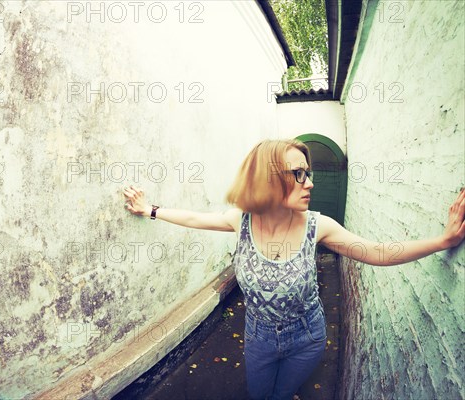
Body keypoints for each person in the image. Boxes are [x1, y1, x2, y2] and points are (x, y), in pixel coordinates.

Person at [122, 139, 465, 400]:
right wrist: (149, 209)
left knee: (282, 394)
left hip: (308, 338)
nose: (309, 182)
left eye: (308, 173)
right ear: (267, 180)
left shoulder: (319, 226)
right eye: (297, 174)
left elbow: (377, 252)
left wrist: (444, 240)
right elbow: (194, 218)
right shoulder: (241, 221)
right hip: (258, 338)